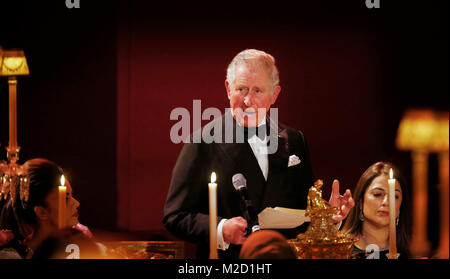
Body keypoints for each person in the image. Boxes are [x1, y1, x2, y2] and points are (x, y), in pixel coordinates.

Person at [163, 49, 354, 258]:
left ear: (275, 94)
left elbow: (302, 213)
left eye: (257, 91)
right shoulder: (202, 142)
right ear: (228, 88)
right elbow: (176, 216)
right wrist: (221, 228)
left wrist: (326, 216)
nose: (247, 101)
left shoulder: (295, 140)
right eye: (241, 89)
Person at [0, 158, 91, 259]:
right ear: (42, 212)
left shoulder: (75, 249)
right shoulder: (11, 256)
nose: (77, 203)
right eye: (65, 198)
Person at [341, 162, 411, 259]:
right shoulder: (341, 249)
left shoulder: (413, 250)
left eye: (395, 196)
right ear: (361, 201)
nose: (387, 202)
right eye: (377, 194)